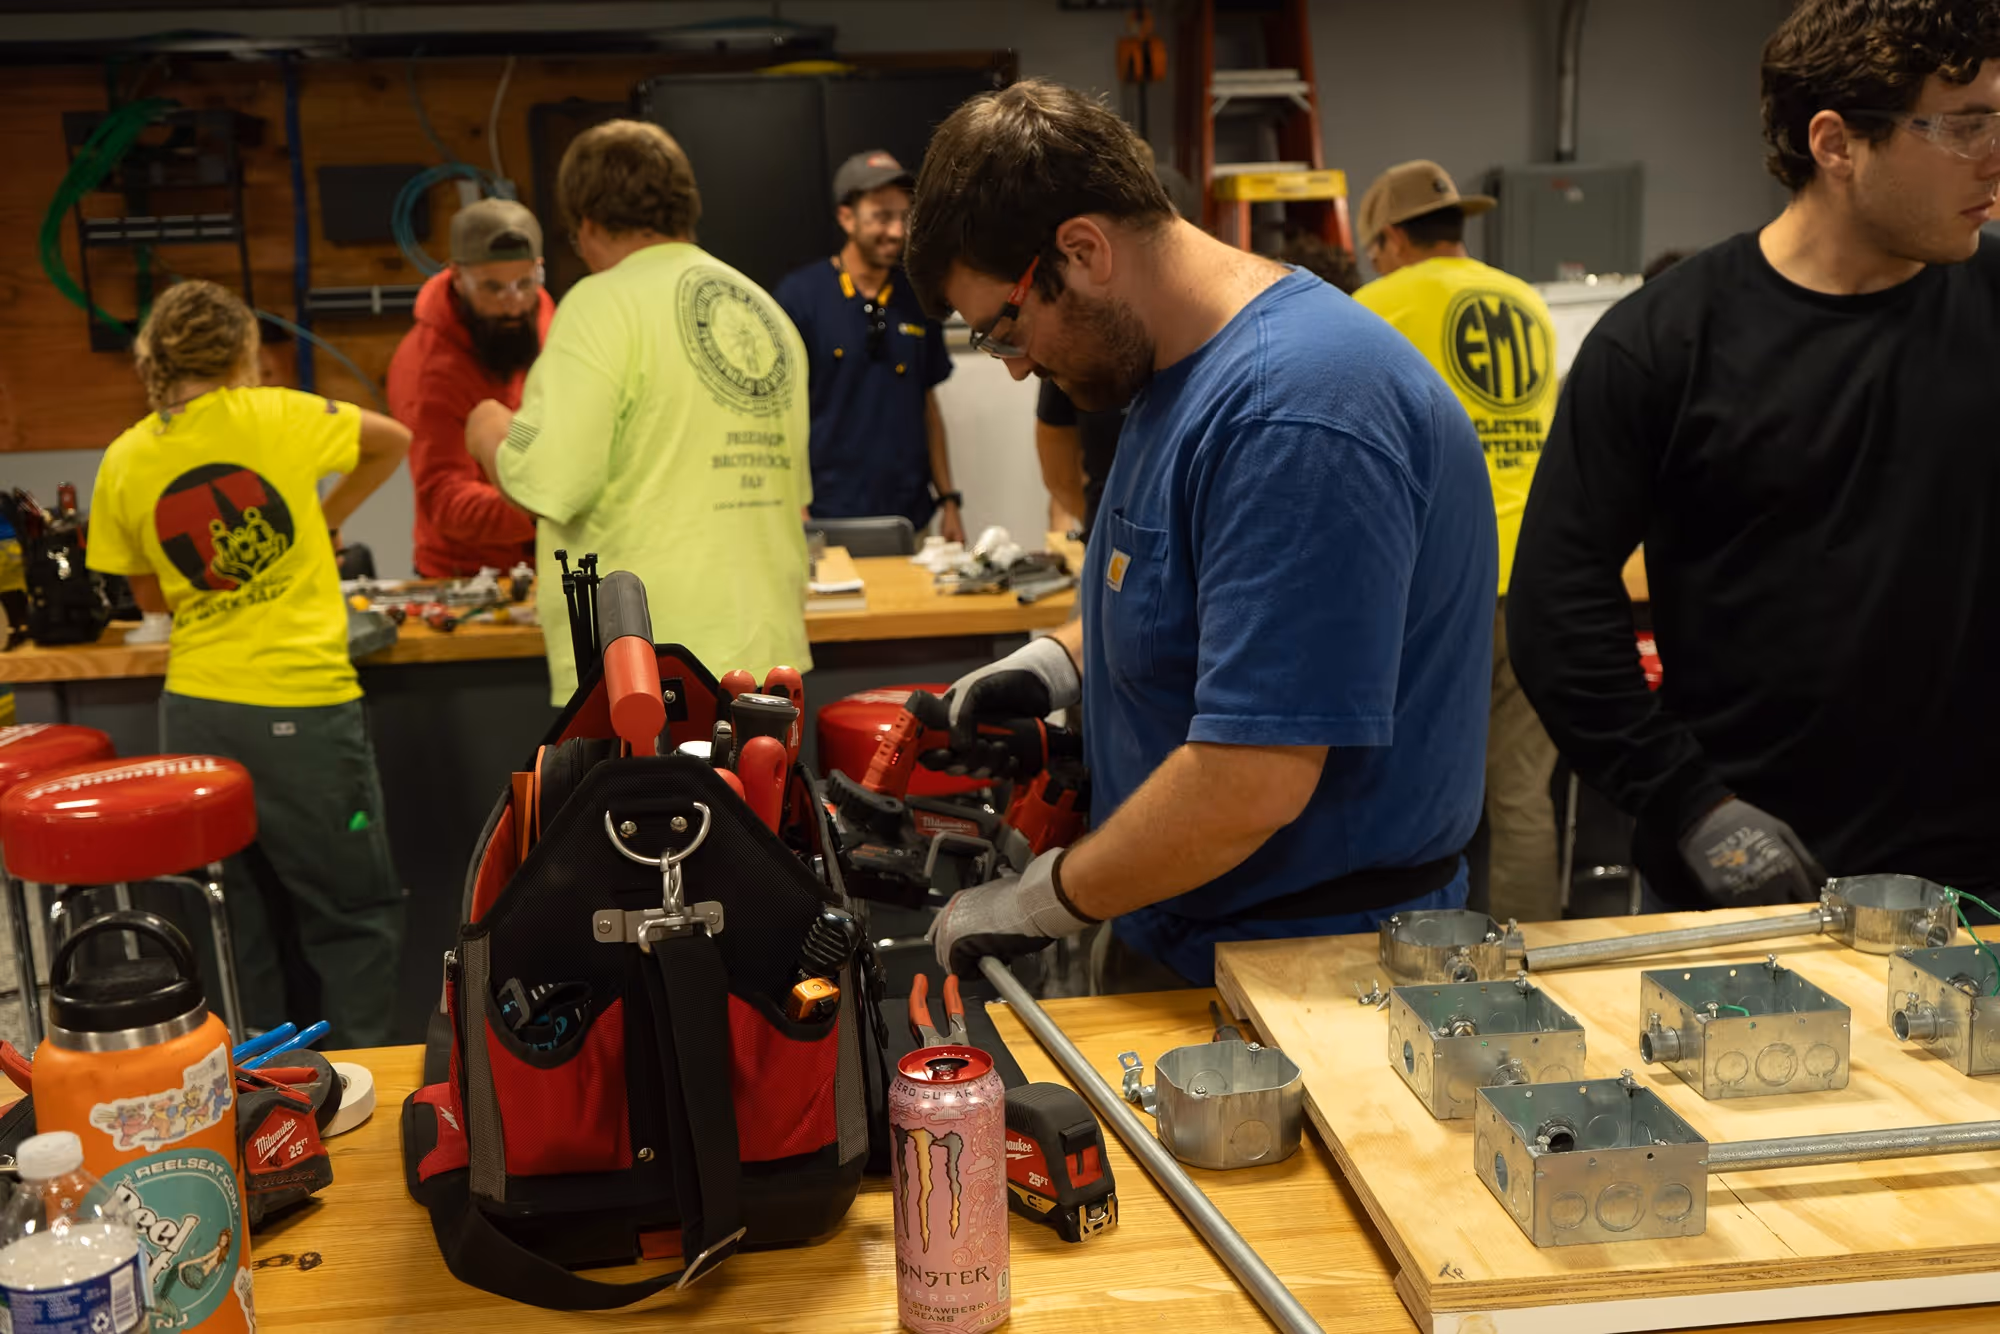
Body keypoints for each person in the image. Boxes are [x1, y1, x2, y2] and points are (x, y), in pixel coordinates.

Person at [905, 80, 1496, 989]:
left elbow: (1247, 781)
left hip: (1311, 979)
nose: (1017, 365)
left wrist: (1035, 903)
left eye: (1004, 326)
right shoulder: (1179, 373)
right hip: (1196, 936)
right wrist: (1057, 662)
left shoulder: (1292, 410)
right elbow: (1190, 596)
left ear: (1084, 249)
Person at [1509, 0, 2000, 909]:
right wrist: (1690, 807)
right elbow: (1558, 605)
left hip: (1975, 889)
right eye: (1964, 125)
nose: (1994, 156)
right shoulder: (1664, 343)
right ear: (1836, 143)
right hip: (1752, 886)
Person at [85, 279, 410, 1046]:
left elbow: (149, 599)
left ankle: (257, 1099)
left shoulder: (126, 458)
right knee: (352, 917)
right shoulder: (281, 413)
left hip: (196, 709)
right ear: (245, 354)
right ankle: (368, 1097)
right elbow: (392, 439)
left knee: (229, 925)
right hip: (304, 705)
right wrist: (316, 522)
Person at [467, 120, 812, 703]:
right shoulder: (763, 309)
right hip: (768, 662)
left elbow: (553, 483)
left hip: (650, 673)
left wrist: (490, 434)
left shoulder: (600, 304)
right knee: (755, 799)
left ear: (588, 223)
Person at [1353, 160, 1563, 925]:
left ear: (1393, 237)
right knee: (1520, 794)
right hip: (1540, 575)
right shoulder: (1528, 301)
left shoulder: (1374, 305)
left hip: (1439, 582)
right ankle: (1528, 973)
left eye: (1375, 247)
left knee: (1416, 791)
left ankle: (1422, 965)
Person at [775, 151, 964, 545]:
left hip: (910, 516)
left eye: (904, 217)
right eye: (881, 217)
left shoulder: (917, 300)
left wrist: (948, 500)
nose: (896, 232)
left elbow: (927, 404)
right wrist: (790, 501)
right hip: (825, 514)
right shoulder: (799, 298)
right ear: (847, 217)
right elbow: (777, 414)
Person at [388, 199, 553, 578]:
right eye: (492, 288)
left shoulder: (539, 312)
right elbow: (445, 500)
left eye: (525, 283)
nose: (512, 303)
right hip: (465, 573)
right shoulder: (429, 370)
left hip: (546, 557)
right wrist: (543, 507)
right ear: (458, 278)